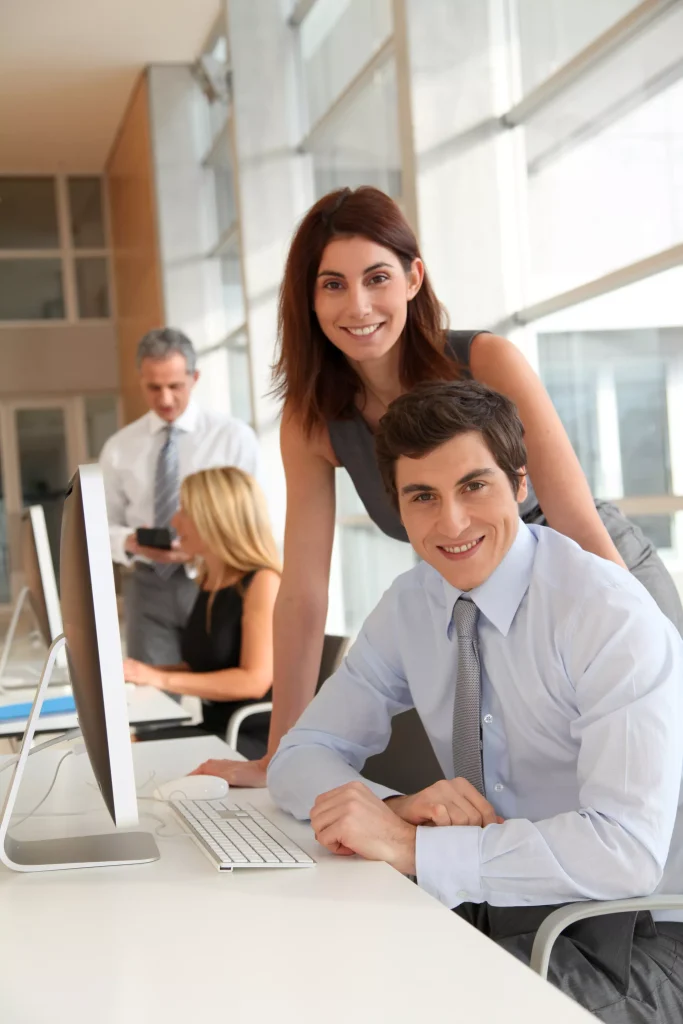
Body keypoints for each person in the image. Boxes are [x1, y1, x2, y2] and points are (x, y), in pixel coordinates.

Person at [212, 185, 683, 787]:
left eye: (376, 277)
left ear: (413, 278)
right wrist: (279, 754)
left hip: (592, 577)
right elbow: (303, 595)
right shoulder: (312, 420)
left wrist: (636, 643)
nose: (358, 306)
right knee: (538, 799)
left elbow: (576, 522)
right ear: (308, 298)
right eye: (332, 284)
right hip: (489, 602)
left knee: (647, 784)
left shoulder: (486, 361)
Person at [266, 381, 683, 1023]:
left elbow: (623, 852)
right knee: (311, 982)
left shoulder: (606, 614)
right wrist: (396, 809)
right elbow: (300, 756)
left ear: (520, 484)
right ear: (396, 507)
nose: (451, 522)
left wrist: (411, 848)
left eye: (474, 486)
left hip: (638, 936)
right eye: (423, 497)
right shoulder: (412, 604)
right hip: (495, 912)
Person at [100, 327, 259, 667]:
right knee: (150, 696)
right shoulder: (119, 447)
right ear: (140, 379)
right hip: (147, 584)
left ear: (195, 377)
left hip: (216, 579)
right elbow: (101, 525)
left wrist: (205, 543)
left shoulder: (232, 437)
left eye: (175, 386)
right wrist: (130, 541)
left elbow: (249, 519)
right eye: (154, 387)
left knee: (220, 678)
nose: (165, 399)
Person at [123, 467, 280, 757]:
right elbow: (204, 666)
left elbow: (254, 681)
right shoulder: (210, 580)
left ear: (216, 520)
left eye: (185, 510)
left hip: (252, 741)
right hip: (216, 730)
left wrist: (160, 679)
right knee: (119, 748)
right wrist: (140, 671)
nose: (174, 520)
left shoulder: (263, 582)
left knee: (125, 753)